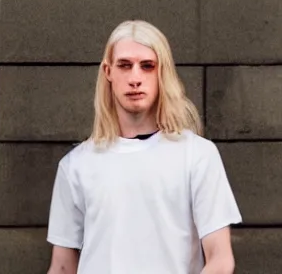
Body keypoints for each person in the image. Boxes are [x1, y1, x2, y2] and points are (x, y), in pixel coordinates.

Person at [45, 20, 240, 274]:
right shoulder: (76, 165)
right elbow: (61, 267)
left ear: (162, 72)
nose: (135, 78)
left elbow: (220, 259)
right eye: (125, 65)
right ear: (108, 72)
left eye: (147, 66)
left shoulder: (197, 155)